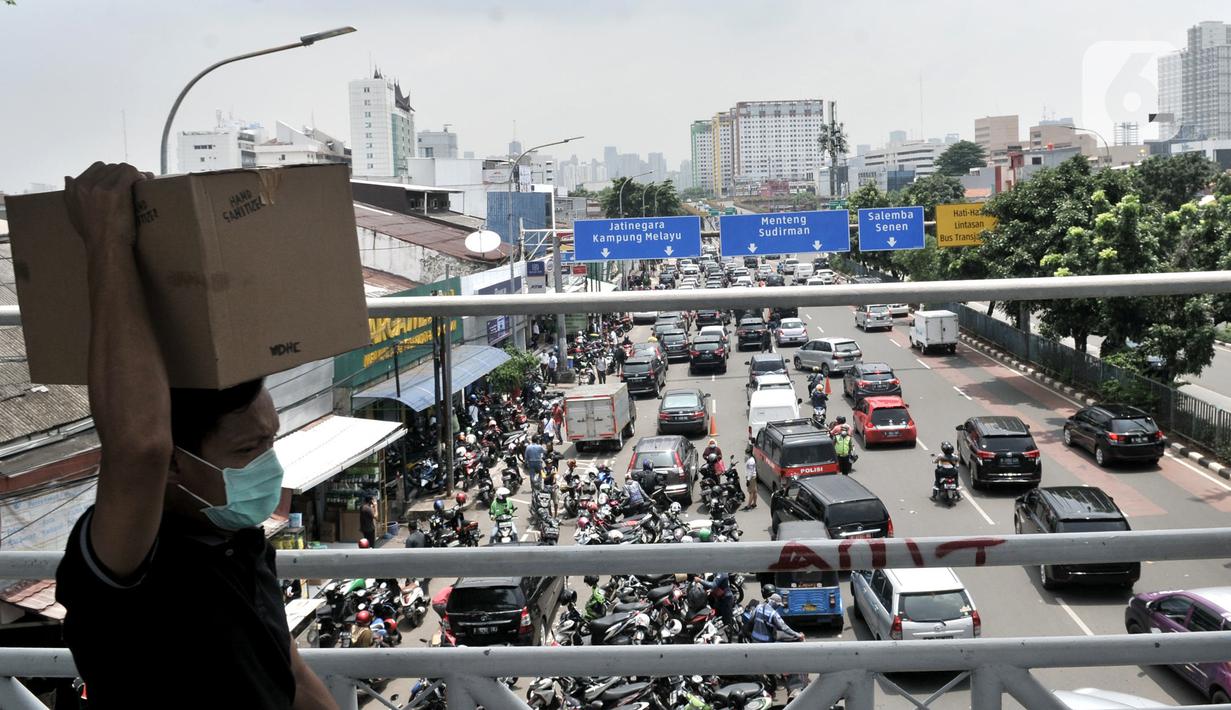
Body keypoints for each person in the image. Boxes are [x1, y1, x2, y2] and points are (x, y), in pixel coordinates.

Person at [53, 163, 334, 708]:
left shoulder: (240, 540)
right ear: (175, 464)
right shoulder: (129, 560)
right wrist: (108, 241)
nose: (268, 467)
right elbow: (138, 448)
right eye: (247, 450)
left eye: (271, 441)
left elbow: (289, 675)